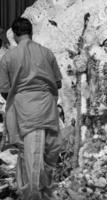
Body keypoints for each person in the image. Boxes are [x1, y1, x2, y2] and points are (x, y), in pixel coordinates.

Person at [0, 17, 62, 200]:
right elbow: (57, 83)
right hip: (47, 107)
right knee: (47, 152)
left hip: (23, 109)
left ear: (15, 35)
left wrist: (20, 95)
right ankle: (42, 192)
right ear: (31, 32)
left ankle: (32, 194)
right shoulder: (47, 52)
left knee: (30, 153)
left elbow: (4, 90)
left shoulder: (8, 56)